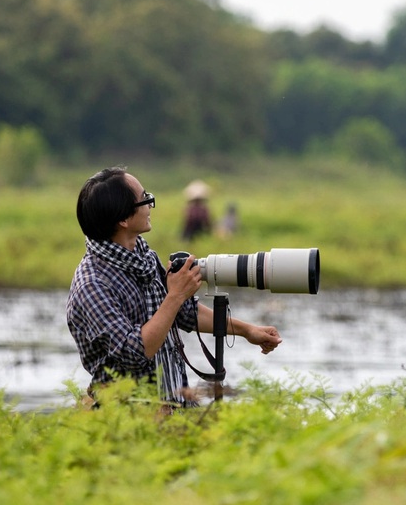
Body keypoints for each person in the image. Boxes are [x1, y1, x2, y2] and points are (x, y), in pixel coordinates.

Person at [67, 166, 281, 407]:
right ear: (123, 219)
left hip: (174, 408)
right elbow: (134, 352)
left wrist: (246, 330)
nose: (149, 205)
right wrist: (176, 295)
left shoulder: (143, 255)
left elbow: (185, 313)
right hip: (128, 421)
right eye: (144, 199)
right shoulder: (93, 284)